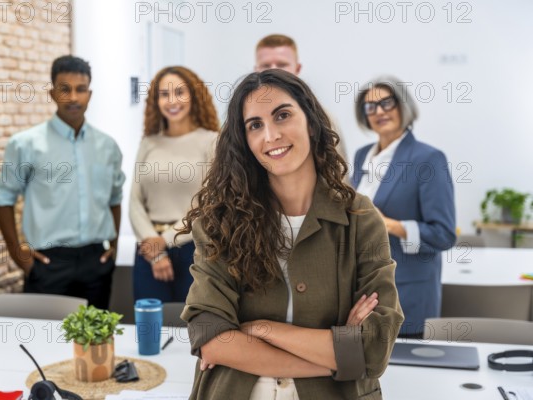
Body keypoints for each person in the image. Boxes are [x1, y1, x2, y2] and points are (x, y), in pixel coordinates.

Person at [179, 69, 404, 399]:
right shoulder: (220, 222)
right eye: (255, 125)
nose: (270, 135)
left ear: (311, 122)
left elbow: (374, 346)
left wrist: (262, 330)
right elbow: (211, 338)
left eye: (282, 115)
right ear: (245, 141)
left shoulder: (360, 217)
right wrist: (339, 358)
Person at [0, 55, 125, 309]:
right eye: (65, 89)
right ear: (52, 93)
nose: (73, 97)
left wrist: (115, 246)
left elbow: (115, 199)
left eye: (80, 89)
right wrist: (20, 255)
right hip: (47, 264)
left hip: (96, 262)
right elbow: (3, 199)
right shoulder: (26, 144)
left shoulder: (107, 146)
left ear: (90, 94)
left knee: (95, 342)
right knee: (45, 344)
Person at [351, 76, 456, 338]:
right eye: (370, 107)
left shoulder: (428, 159)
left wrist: (388, 224)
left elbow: (443, 234)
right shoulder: (362, 155)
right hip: (363, 288)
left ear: (403, 106)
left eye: (387, 103)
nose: (379, 112)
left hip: (407, 290)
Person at [129, 66, 219, 303]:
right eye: (164, 94)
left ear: (194, 95)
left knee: (192, 331)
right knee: (150, 329)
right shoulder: (148, 143)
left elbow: (209, 203)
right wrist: (154, 249)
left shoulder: (211, 142)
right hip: (148, 251)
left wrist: (166, 240)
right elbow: (135, 201)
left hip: (194, 248)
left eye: (179, 92)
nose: (172, 101)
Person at [254, 34, 347, 161]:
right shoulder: (240, 120)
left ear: (297, 69)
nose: (273, 71)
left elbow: (338, 172)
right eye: (266, 65)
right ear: (255, 70)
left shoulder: (325, 119)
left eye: (282, 64)